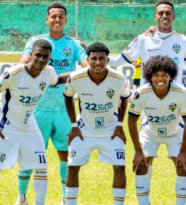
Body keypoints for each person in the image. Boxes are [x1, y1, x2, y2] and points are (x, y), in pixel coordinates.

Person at [17, 2, 88, 204]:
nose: (57, 20)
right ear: (47, 19)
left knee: (66, 153)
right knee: (31, 153)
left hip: (64, 108)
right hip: (37, 107)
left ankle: (66, 198)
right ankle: (21, 196)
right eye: (53, 16)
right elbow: (22, 66)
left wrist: (85, 50)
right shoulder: (35, 41)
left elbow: (87, 68)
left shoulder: (73, 45)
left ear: (66, 20)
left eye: (61, 17)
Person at [0, 39, 69, 205]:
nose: (41, 59)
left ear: (50, 58)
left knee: (41, 165)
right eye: (38, 55)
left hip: (30, 126)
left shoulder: (49, 72)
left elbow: (57, 80)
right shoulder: (12, 74)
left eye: (45, 56)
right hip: (7, 126)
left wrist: (84, 73)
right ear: (31, 55)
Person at [63, 42, 131, 205]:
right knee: (72, 167)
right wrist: (73, 126)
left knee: (120, 167)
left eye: (102, 58)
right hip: (83, 130)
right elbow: (67, 96)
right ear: (88, 59)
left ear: (108, 60)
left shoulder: (119, 78)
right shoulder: (76, 77)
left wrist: (120, 125)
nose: (98, 62)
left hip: (111, 131)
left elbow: (124, 97)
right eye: (94, 58)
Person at [128, 55, 186, 205]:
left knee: (183, 166)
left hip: (175, 134)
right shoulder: (141, 93)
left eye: (164, 75)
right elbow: (132, 120)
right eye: (156, 75)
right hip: (150, 133)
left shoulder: (181, 92)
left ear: (171, 76)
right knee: (141, 165)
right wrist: (138, 150)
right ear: (150, 76)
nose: (160, 79)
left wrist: (183, 151)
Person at [108, 0, 186, 86]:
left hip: (175, 98)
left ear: (173, 17)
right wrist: (94, 57)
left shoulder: (183, 41)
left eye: (168, 13)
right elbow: (117, 61)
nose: (164, 16)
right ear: (155, 17)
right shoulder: (143, 39)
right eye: (161, 13)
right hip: (148, 98)